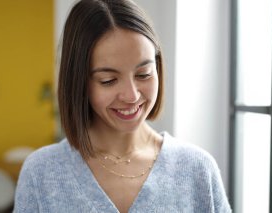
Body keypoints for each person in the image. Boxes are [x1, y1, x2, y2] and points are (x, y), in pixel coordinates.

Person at [14, 0, 232, 212]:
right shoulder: (41, 173)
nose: (132, 95)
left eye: (143, 74)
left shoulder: (198, 170)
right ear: (78, 82)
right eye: (108, 80)